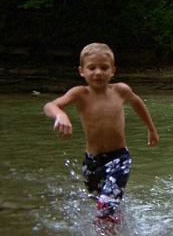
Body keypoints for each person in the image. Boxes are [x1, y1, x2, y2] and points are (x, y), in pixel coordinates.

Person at [43, 43, 159, 225]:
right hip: (92, 161)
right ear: (82, 71)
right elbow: (50, 105)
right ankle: (117, 224)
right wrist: (61, 114)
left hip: (119, 158)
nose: (98, 73)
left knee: (105, 207)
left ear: (113, 70)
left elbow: (137, 104)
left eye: (104, 68)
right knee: (99, 202)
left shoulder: (121, 91)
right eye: (92, 68)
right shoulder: (79, 94)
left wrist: (151, 129)